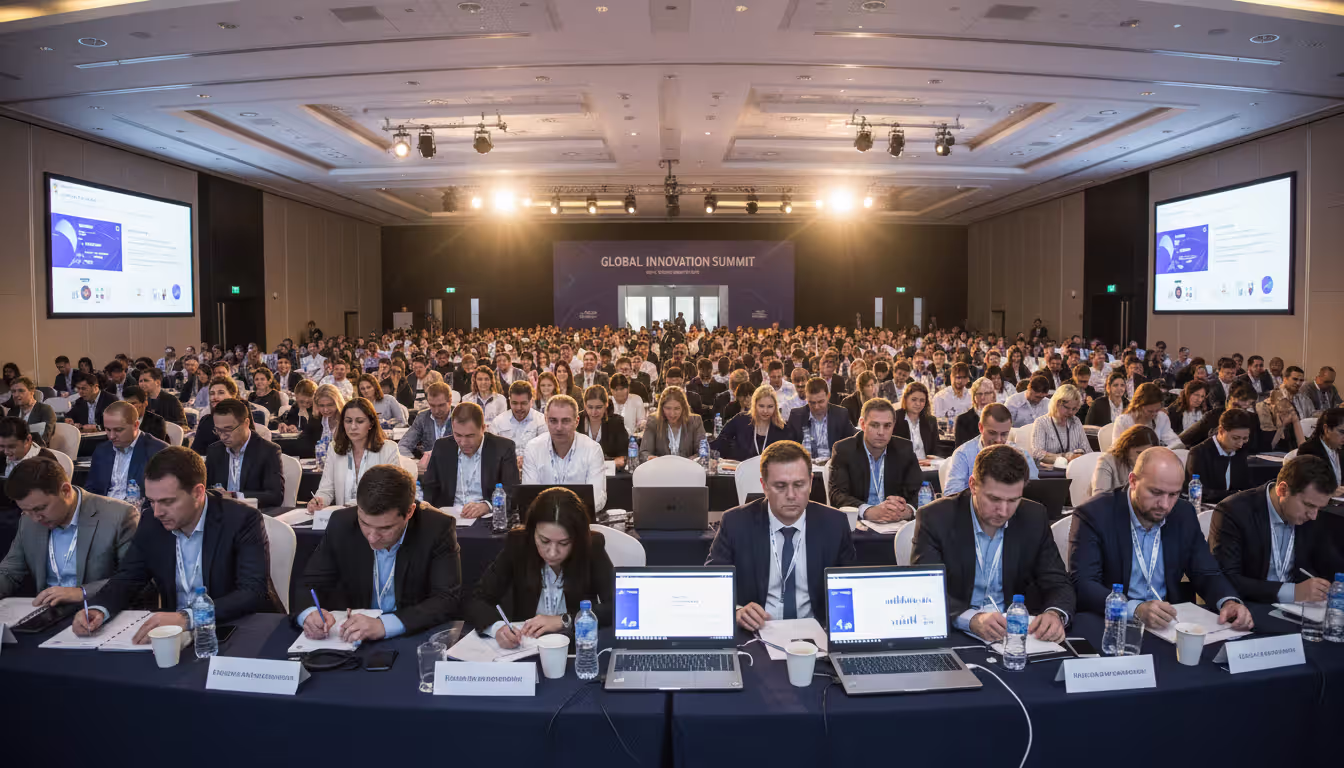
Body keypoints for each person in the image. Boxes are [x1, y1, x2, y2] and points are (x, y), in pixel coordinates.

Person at [72, 447, 281, 642]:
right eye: (152, 501)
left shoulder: (241, 519)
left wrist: (188, 617)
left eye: (167, 501)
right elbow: (128, 577)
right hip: (174, 636)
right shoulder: (151, 522)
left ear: (198, 493)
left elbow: (252, 592)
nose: (157, 512)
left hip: (234, 629)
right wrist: (100, 608)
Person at [1067, 448, 1253, 630]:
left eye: (1173, 494)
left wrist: (1228, 601)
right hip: (1115, 623)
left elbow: (1206, 571)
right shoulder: (1095, 515)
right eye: (1155, 493)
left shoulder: (1183, 513)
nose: (1165, 505)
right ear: (1133, 481)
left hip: (1170, 621)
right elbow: (1084, 584)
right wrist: (1135, 609)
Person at [912, 445, 1072, 642]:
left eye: (1013, 500)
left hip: (1014, 633)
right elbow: (925, 589)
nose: (1004, 511)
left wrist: (1055, 614)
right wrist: (970, 619)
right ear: (972, 485)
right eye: (994, 499)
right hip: (957, 632)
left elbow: (1057, 581)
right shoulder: (936, 518)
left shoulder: (1034, 516)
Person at [294, 464, 462, 642]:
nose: (372, 538)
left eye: (385, 528)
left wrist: (385, 625)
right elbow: (309, 583)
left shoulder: (436, 528)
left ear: (410, 512)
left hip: (411, 637)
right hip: (349, 638)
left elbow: (446, 599)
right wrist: (310, 614)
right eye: (365, 524)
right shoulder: (341, 523)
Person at [706, 440, 856, 629]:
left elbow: (849, 589)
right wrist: (736, 611)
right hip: (755, 635)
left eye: (799, 484)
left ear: (810, 482)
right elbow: (712, 585)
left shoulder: (834, 524)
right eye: (780, 486)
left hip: (816, 633)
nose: (792, 495)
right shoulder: (736, 523)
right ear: (764, 486)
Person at [468, 487, 615, 647]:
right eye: (544, 541)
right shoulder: (519, 544)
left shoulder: (591, 547)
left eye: (563, 543)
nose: (552, 553)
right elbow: (479, 599)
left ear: (577, 539)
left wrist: (565, 620)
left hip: (576, 648)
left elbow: (617, 606)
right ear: (532, 533)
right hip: (526, 647)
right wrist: (497, 628)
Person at [0, 457, 139, 602]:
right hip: (47, 611)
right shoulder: (28, 521)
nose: (35, 518)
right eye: (26, 511)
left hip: (97, 608)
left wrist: (83, 593)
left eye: (40, 508)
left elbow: (134, 578)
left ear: (66, 490)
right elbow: (9, 573)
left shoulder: (119, 516)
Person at [1209, 455, 1338, 605]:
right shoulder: (1234, 511)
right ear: (1283, 490)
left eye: (1319, 508)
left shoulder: (1311, 515)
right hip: (1249, 607)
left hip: (1299, 607)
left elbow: (1331, 562)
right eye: (1308, 505)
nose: (1314, 515)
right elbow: (1227, 578)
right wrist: (1293, 591)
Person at [827, 398, 922, 522]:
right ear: (862, 424)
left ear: (894, 425)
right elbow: (837, 494)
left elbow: (917, 491)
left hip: (896, 523)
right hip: (859, 524)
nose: (881, 432)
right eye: (874, 425)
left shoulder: (904, 449)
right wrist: (867, 511)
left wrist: (907, 511)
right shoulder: (844, 450)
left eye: (887, 425)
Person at [423, 402, 519, 516]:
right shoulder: (442, 447)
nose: (463, 443)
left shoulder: (503, 448)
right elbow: (429, 489)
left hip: (487, 518)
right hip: (448, 517)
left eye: (470, 436)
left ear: (483, 428)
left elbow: (512, 492)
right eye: (458, 435)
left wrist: (488, 505)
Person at [308, 398, 403, 511]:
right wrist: (319, 500)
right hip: (344, 519)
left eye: (359, 421)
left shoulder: (389, 449)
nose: (353, 427)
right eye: (348, 421)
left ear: (371, 424)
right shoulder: (334, 448)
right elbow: (326, 489)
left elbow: (392, 492)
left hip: (376, 518)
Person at [522, 396, 608, 512]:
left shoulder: (592, 449)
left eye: (565, 421)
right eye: (553, 421)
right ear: (546, 420)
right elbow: (530, 496)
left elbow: (597, 499)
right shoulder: (533, 448)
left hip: (580, 521)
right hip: (544, 520)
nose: (559, 427)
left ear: (576, 421)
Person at [204, 398, 285, 510]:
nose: (223, 436)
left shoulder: (268, 451)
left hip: (253, 516)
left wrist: (235, 496)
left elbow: (275, 496)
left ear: (246, 423)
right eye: (218, 430)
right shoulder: (214, 450)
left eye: (228, 430)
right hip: (220, 516)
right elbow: (204, 489)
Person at [85, 402, 169, 501]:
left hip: (137, 511)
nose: (111, 436)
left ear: (136, 425)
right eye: (107, 429)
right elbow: (91, 489)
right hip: (103, 509)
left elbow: (161, 496)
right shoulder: (102, 450)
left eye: (118, 430)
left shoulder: (158, 452)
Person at [1183, 408, 1255, 504]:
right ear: (1221, 430)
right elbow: (1203, 492)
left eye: (1245, 438)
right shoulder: (1198, 453)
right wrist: (1235, 495)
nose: (1240, 444)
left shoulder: (1240, 451)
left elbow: (1245, 484)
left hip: (1233, 506)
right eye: (1235, 438)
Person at [712, 384, 795, 461]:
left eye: (770, 407)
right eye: (761, 406)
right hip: (741, 473)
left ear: (775, 407)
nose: (765, 411)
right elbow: (720, 443)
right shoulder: (740, 420)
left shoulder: (782, 428)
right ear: (755, 405)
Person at [786, 377, 857, 462]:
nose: (816, 407)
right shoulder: (796, 416)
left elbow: (852, 442)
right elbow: (788, 448)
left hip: (832, 467)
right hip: (804, 467)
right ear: (806, 399)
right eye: (812, 403)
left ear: (828, 396)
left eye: (820, 402)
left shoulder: (840, 414)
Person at [640, 385, 708, 462]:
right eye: (668, 408)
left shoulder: (695, 421)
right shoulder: (653, 421)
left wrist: (691, 460)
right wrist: (651, 458)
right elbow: (644, 452)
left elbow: (702, 450)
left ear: (684, 408)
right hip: (661, 469)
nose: (672, 414)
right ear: (662, 408)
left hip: (688, 469)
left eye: (677, 409)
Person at [1029, 384, 1092, 466]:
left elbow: (1087, 450)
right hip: (1049, 472)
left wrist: (1080, 454)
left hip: (1073, 469)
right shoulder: (1041, 423)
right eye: (1067, 408)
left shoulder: (1076, 421)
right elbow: (1037, 453)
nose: (1071, 412)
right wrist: (1064, 457)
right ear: (1056, 403)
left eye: (1074, 409)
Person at [1089, 425, 1161, 497]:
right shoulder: (1107, 461)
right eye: (1139, 453)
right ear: (1127, 448)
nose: (1143, 458)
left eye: (1147, 454)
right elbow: (1099, 498)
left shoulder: (1153, 462)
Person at [1113, 382, 1183, 448]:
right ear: (1138, 406)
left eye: (1157, 410)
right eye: (1150, 411)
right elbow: (1116, 449)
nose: (1154, 414)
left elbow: (1174, 441)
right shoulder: (1123, 421)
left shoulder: (1161, 417)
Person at [578, 385, 631, 467]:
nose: (593, 412)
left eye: (598, 407)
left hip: (609, 475)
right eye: (590, 407)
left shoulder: (617, 422)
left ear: (606, 404)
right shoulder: (577, 421)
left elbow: (623, 457)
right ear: (584, 405)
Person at [1296, 406, 1344, 493]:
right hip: (1320, 503)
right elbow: (1305, 486)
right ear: (1326, 429)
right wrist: (1329, 492)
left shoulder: (1341, 449)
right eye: (1342, 432)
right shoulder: (1308, 451)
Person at [489, 380, 546, 449]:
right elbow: (492, 450)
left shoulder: (541, 421)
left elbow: (545, 449)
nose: (519, 408)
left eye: (523, 403)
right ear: (509, 401)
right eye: (515, 403)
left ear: (531, 401)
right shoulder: (498, 423)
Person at [892, 381, 939, 464]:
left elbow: (936, 449)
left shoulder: (931, 421)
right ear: (906, 399)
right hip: (903, 467)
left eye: (922, 400)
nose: (918, 404)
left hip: (927, 467)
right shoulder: (895, 418)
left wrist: (932, 461)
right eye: (914, 400)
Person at [295, 383, 346, 459]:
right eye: (321, 405)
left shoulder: (347, 421)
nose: (325, 410)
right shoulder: (316, 420)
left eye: (330, 405)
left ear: (337, 403)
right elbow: (303, 444)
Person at [1, 416, 58, 480]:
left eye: (12, 446)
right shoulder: (2, 454)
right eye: (1, 446)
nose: (6, 452)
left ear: (28, 439)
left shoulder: (46, 464)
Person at [5, 377, 56, 443]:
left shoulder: (45, 410)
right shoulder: (12, 412)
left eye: (21, 391)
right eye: (13, 391)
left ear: (32, 392)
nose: (16, 395)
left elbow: (45, 438)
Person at [1258, 387, 1307, 452]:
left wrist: (1295, 421)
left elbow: (1301, 444)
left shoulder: (1291, 411)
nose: (1285, 412)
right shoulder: (1264, 412)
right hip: (1268, 453)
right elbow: (1270, 447)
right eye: (1282, 411)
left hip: (1286, 452)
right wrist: (1282, 426)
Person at [954, 377, 997, 448]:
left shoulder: (1000, 416)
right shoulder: (962, 420)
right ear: (974, 397)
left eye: (987, 393)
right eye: (979, 394)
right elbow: (960, 450)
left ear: (993, 395)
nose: (983, 397)